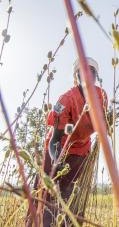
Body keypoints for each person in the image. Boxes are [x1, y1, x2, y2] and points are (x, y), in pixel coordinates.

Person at [28, 57, 108, 227]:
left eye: (92, 71)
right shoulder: (65, 100)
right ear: (76, 76)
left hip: (81, 151)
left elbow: (103, 122)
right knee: (47, 196)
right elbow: (55, 139)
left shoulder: (102, 96)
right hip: (57, 151)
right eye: (83, 71)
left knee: (73, 197)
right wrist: (57, 163)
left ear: (96, 76)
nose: (88, 75)